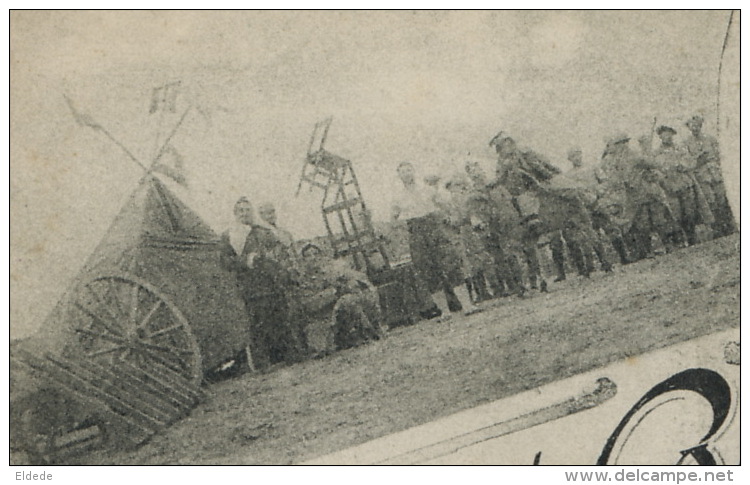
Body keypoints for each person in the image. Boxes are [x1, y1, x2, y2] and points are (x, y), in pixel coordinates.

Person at [220, 197, 297, 372]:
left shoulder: (262, 231)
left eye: (247, 210)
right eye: (241, 210)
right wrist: (246, 260)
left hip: (272, 283)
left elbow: (279, 248)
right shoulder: (229, 235)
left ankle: (289, 357)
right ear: (235, 214)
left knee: (280, 319)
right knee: (258, 325)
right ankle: (264, 364)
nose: (245, 213)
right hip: (251, 287)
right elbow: (225, 261)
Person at [391, 162, 469, 317]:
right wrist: (400, 236)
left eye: (409, 170)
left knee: (451, 264)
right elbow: (393, 218)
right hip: (416, 231)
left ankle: (468, 306)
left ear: (414, 172)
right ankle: (445, 312)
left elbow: (444, 204)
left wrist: (451, 215)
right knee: (428, 271)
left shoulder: (427, 190)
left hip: (433, 227)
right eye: (403, 172)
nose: (407, 174)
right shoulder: (398, 197)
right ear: (399, 176)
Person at [653, 125, 713, 246]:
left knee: (689, 212)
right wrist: (663, 180)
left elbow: (691, 162)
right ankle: (680, 240)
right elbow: (656, 171)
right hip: (669, 188)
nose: (667, 137)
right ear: (660, 137)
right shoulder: (656, 154)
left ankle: (692, 239)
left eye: (669, 135)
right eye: (664, 135)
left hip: (685, 184)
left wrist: (683, 165)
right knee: (676, 214)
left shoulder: (680, 148)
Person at [682, 115, 735, 238]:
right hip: (701, 175)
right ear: (689, 127)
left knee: (721, 198)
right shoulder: (686, 143)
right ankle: (716, 228)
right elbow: (687, 161)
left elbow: (719, 154)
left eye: (697, 125)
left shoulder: (710, 139)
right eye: (692, 125)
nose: (695, 128)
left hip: (715, 173)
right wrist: (699, 159)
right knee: (710, 200)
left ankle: (727, 226)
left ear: (701, 126)